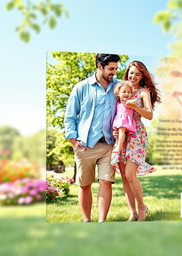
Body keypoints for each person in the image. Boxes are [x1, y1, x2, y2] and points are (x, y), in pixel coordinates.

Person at [64, 53, 120, 222]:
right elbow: (70, 117)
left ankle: (102, 222)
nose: (114, 72)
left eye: (116, 69)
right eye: (111, 69)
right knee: (85, 185)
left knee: (106, 182)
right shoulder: (81, 87)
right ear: (99, 66)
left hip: (108, 145)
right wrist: (74, 141)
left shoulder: (118, 87)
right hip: (85, 145)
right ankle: (87, 221)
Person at [111, 60, 161, 221]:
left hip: (137, 134)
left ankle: (142, 207)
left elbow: (149, 115)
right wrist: (115, 131)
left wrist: (135, 107)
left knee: (130, 174)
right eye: (131, 72)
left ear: (142, 76)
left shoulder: (143, 92)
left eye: (137, 74)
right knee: (125, 177)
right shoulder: (121, 89)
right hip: (122, 134)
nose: (133, 76)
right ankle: (132, 212)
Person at [112, 81, 136, 153]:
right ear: (118, 93)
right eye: (124, 92)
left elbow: (135, 102)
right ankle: (119, 146)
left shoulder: (129, 102)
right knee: (118, 134)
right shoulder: (118, 102)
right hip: (119, 120)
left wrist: (131, 102)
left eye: (129, 92)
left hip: (125, 120)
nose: (126, 93)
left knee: (122, 130)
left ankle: (119, 147)